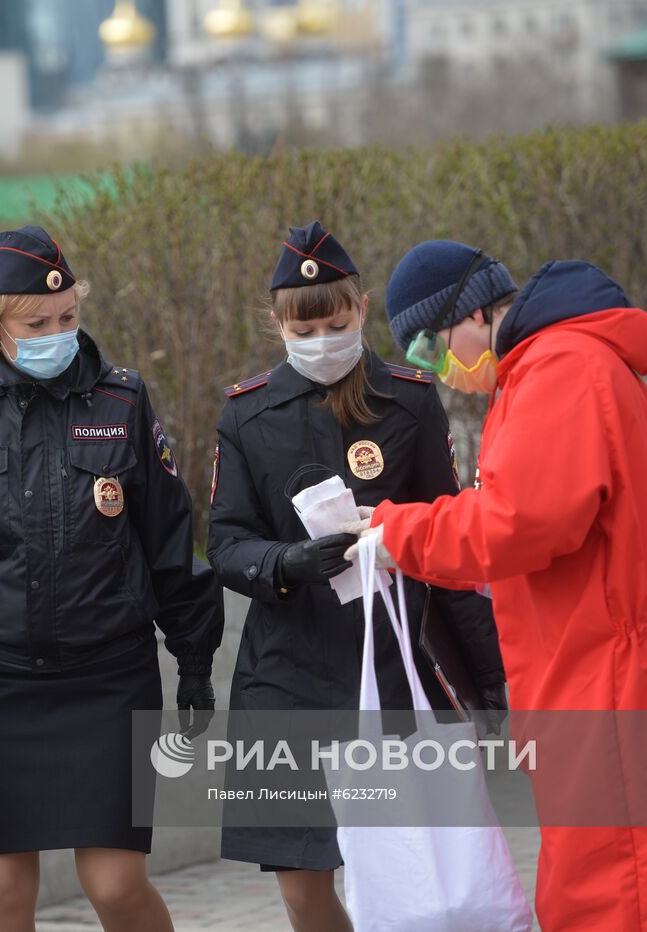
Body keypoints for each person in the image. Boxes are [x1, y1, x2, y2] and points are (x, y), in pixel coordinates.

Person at [355, 241, 647, 931]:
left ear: (471, 315)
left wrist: (395, 536)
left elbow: (518, 521)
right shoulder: (578, 361)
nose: (439, 370)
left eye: (429, 348)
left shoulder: (556, 370)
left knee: (615, 899)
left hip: (614, 682)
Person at [0, 225, 223, 932]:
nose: (56, 334)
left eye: (67, 319)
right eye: (36, 323)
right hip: (5, 685)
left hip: (111, 676)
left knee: (116, 884)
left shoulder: (121, 402)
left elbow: (166, 538)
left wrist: (192, 659)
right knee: (3, 893)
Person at [208, 223, 507, 932]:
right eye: (302, 327)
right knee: (303, 884)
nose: (321, 340)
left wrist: (489, 676)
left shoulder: (409, 399)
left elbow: (457, 546)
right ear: (277, 323)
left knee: (411, 876)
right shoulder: (246, 412)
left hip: (389, 668)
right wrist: (286, 563)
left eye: (336, 323)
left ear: (363, 310)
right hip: (285, 676)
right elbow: (224, 542)